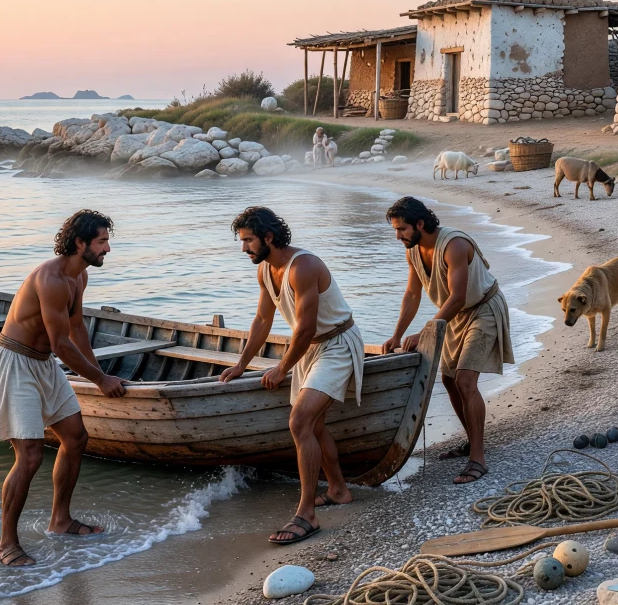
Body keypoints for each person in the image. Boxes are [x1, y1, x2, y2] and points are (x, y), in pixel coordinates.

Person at [0, 209, 127, 567]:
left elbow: (78, 330)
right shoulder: (50, 279)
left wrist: (98, 372)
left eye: (107, 241)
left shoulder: (79, 278)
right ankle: (6, 544)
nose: (107, 249)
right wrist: (100, 380)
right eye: (102, 241)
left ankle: (60, 521)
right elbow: (62, 344)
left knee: (76, 438)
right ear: (80, 243)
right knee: (30, 455)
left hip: (43, 363)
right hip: (14, 363)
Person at [220, 207, 365, 544]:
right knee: (312, 425)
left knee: (299, 422)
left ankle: (306, 515)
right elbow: (262, 319)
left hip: (336, 344)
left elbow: (306, 328)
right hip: (309, 348)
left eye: (247, 241)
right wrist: (242, 364)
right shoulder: (266, 271)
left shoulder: (304, 267)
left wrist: (282, 368)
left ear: (268, 237)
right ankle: (339, 490)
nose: (243, 249)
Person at [382, 196, 513, 484]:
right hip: (455, 315)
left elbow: (456, 296)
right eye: (395, 229)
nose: (397, 236)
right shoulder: (413, 251)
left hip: (483, 309)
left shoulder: (454, 245)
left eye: (402, 229)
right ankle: (471, 442)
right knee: (449, 380)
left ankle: (477, 459)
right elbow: (412, 295)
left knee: (466, 380)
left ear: (419, 223)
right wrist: (397, 335)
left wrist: (426, 331)